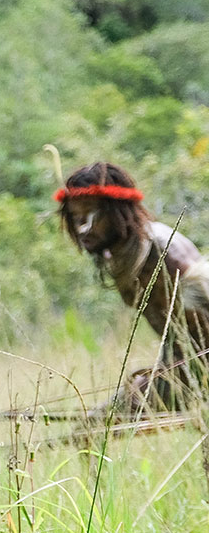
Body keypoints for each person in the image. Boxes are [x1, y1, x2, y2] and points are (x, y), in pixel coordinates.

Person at [56, 161, 209, 414]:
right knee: (97, 422)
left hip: (196, 369)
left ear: (118, 211)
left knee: (99, 422)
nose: (83, 227)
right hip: (185, 368)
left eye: (92, 214)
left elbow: (200, 346)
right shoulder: (124, 253)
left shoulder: (164, 254)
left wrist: (145, 392)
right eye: (75, 217)